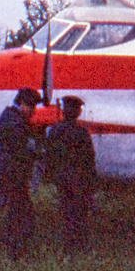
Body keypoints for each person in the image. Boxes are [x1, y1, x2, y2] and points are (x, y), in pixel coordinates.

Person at [45, 95, 97, 252]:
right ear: (77, 112)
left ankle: (68, 245)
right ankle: (79, 245)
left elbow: (50, 155)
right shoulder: (81, 132)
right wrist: (92, 183)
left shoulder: (54, 130)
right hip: (78, 178)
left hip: (62, 177)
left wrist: (51, 176)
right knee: (79, 212)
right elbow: (89, 158)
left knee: (66, 210)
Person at [0, 87, 42, 258]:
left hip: (13, 172)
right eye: (30, 106)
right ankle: (17, 248)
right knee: (21, 212)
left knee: (19, 209)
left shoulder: (11, 119)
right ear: (21, 104)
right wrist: (38, 152)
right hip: (15, 173)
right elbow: (20, 149)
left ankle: (16, 246)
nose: (33, 110)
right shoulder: (15, 123)